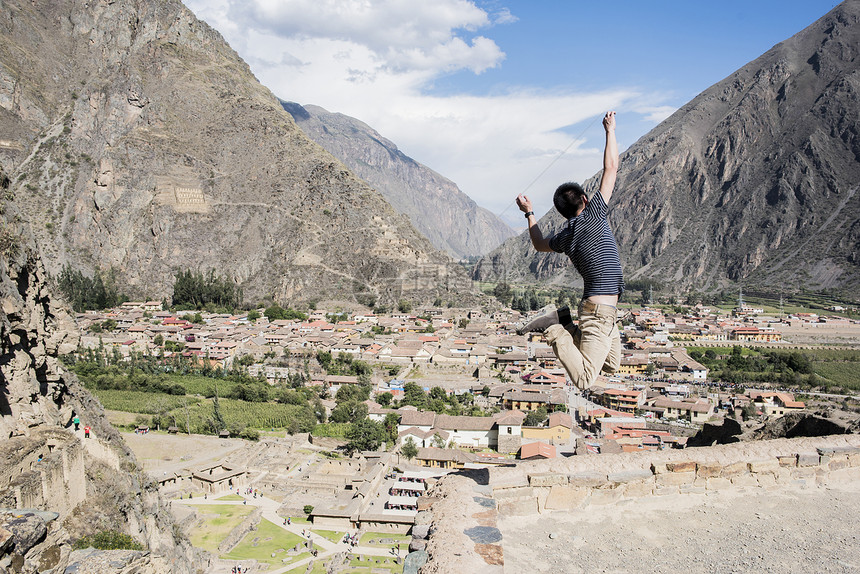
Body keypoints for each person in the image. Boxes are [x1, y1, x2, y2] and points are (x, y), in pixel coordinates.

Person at [516, 110, 622, 391]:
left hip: (604, 313)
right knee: (586, 379)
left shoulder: (566, 236)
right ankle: (553, 329)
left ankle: (563, 321)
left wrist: (530, 213)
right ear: (586, 199)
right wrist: (610, 130)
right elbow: (611, 168)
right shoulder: (596, 212)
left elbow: (539, 244)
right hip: (598, 312)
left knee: (612, 365)